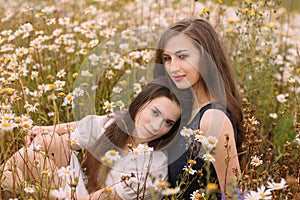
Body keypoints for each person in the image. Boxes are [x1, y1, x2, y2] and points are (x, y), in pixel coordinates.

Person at [1, 78, 192, 199]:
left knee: (16, 174)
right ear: (141, 104)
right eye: (155, 113)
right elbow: (75, 132)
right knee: (43, 145)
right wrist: (44, 131)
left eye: (168, 122)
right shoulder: (116, 125)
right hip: (82, 188)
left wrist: (44, 193)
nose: (157, 126)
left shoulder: (155, 162)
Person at [153, 18, 244, 199]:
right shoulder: (181, 109)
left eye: (182, 56)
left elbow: (234, 194)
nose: (173, 67)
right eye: (167, 58)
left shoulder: (212, 119)